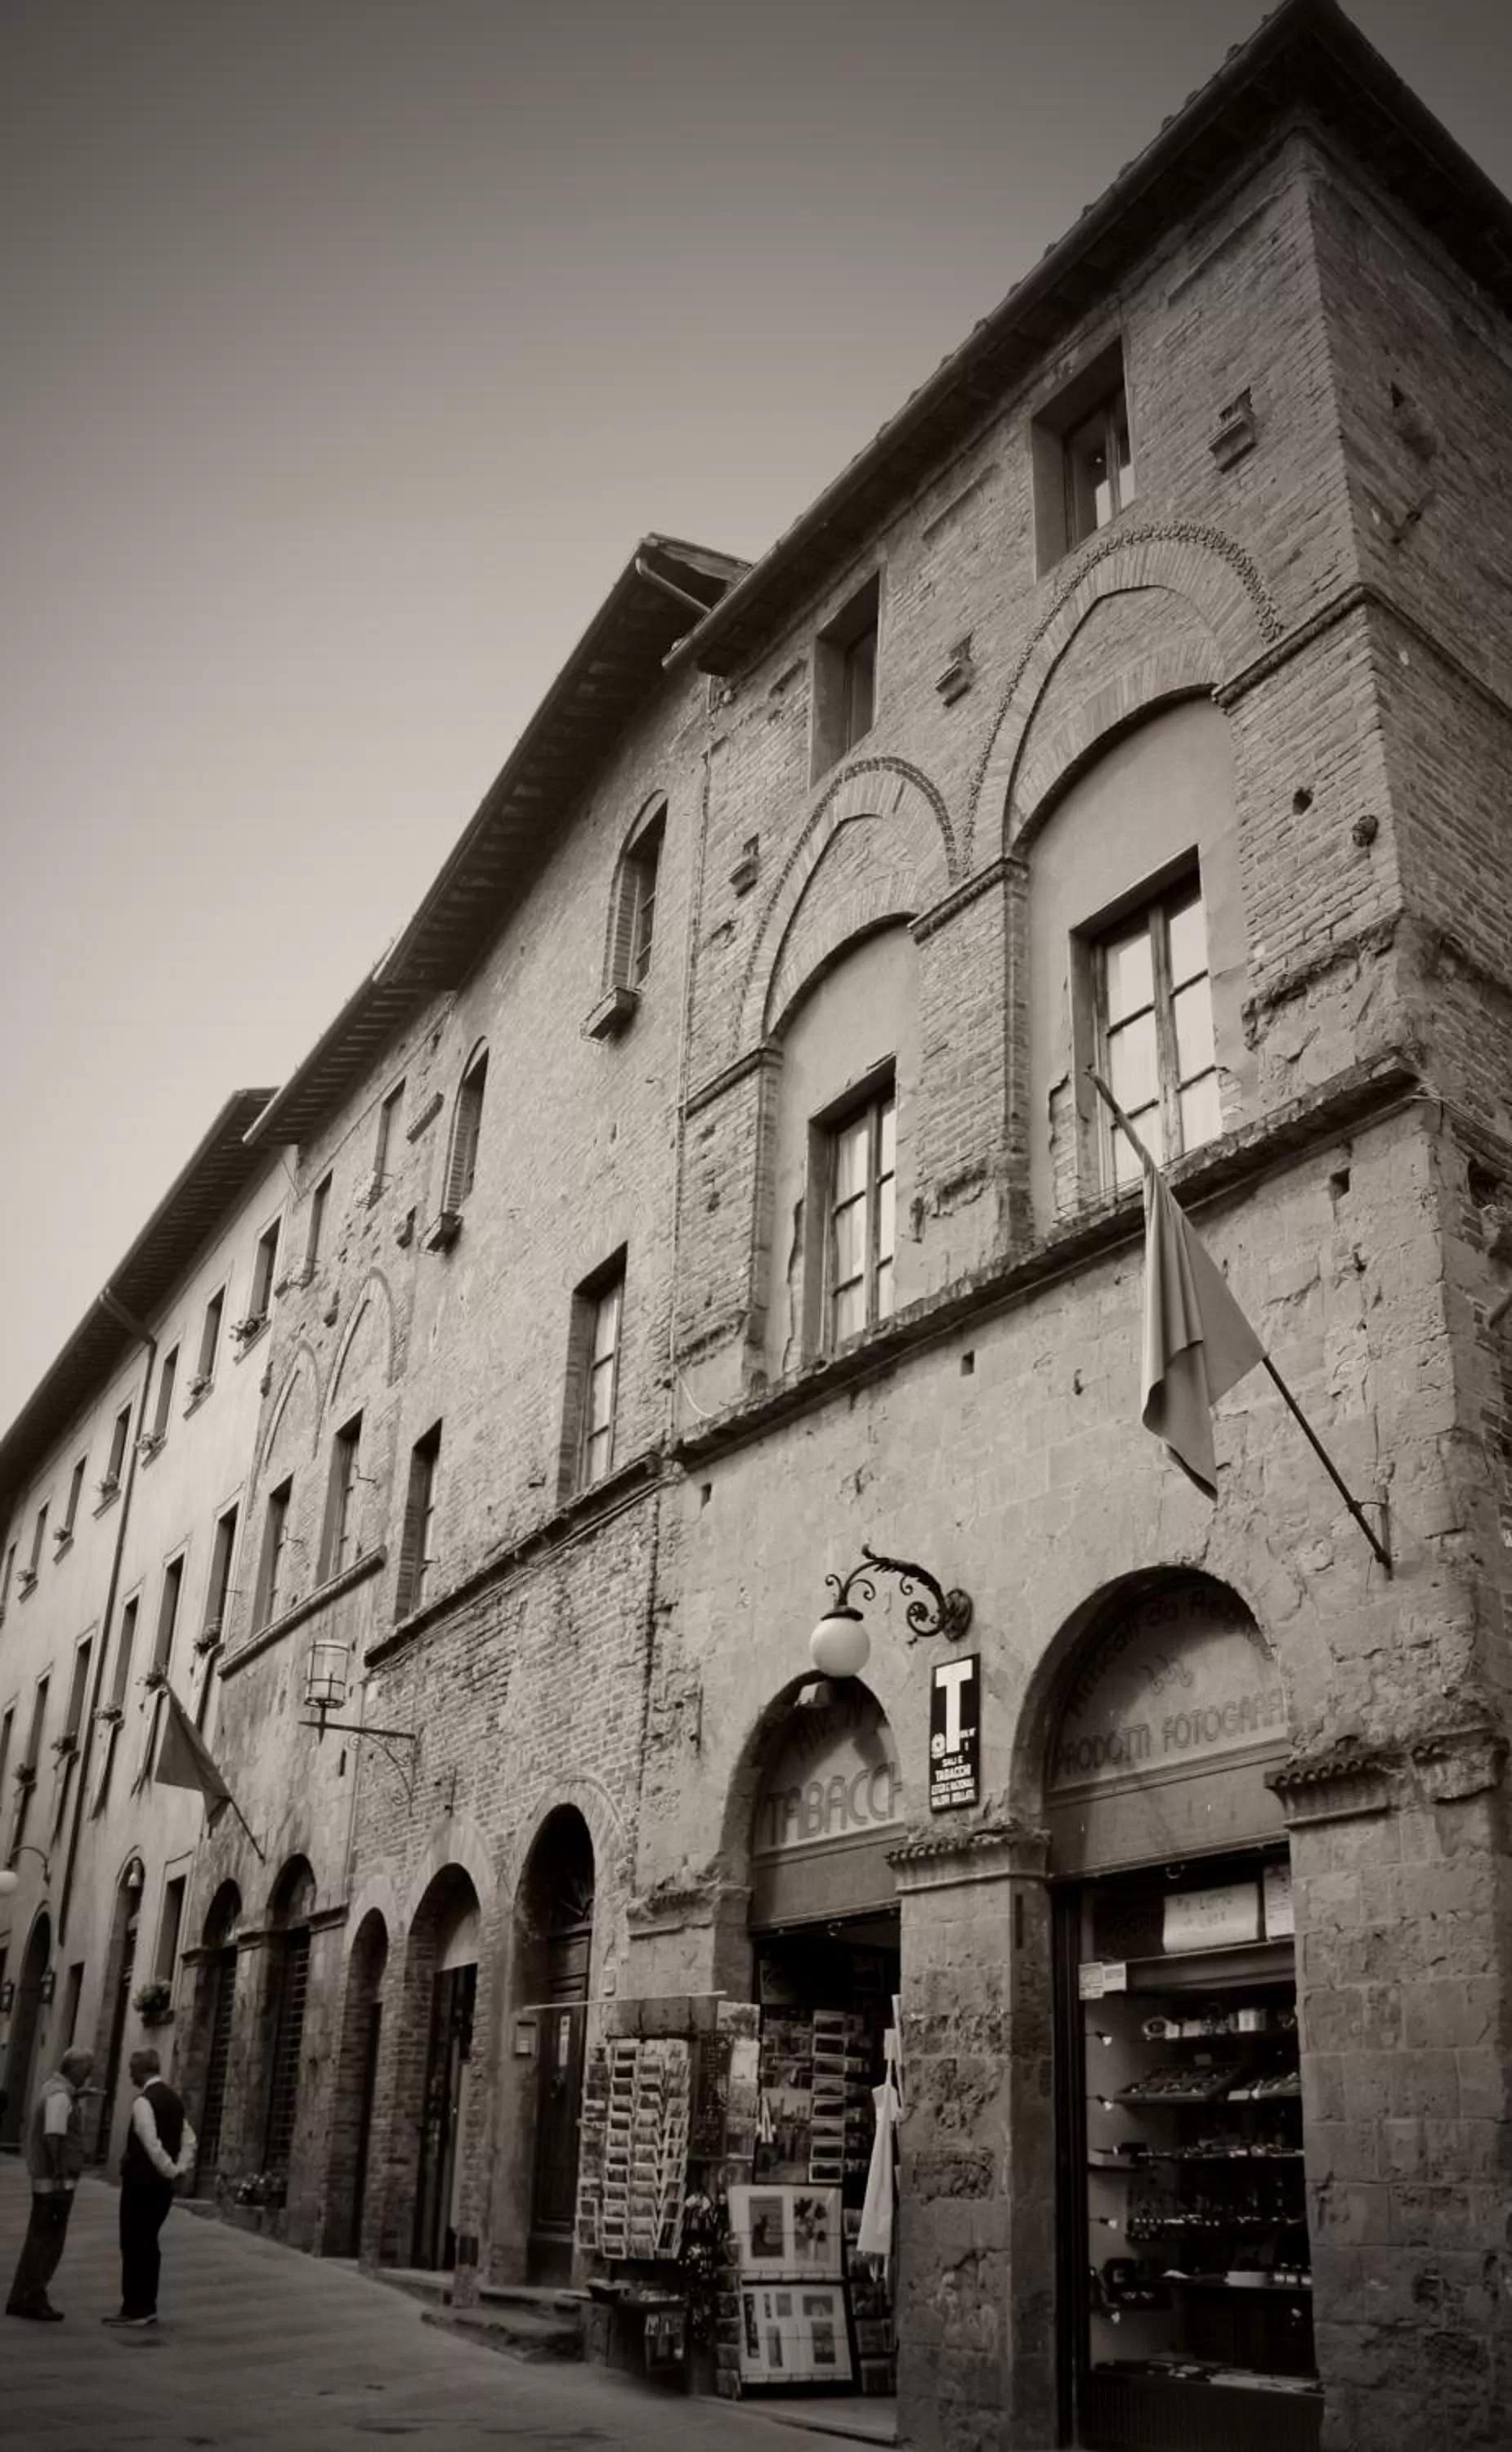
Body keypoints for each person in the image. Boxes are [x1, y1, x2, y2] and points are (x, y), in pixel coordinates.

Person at [101, 2046, 197, 2329]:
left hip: (142, 2184)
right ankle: (147, 2305)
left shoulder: (144, 2101)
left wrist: (169, 2170)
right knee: (148, 2243)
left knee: (133, 2242)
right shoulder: (173, 2099)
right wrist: (181, 2168)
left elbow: (149, 2141)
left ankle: (135, 2307)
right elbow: (189, 2139)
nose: (129, 2074)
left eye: (131, 2069)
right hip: (161, 2189)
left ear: (142, 2069)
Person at [6, 2045, 95, 2321]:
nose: (88, 2077)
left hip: (48, 2180)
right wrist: (59, 2170)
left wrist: (80, 2094)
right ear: (76, 2069)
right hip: (55, 2183)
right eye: (87, 2071)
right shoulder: (59, 2096)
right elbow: (54, 2133)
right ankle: (32, 2296)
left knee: (39, 2238)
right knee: (48, 2241)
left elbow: (59, 2106)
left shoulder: (55, 2088)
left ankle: (23, 2295)